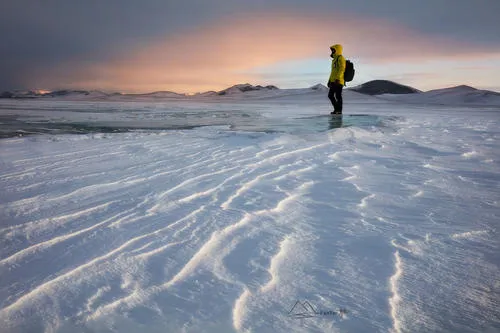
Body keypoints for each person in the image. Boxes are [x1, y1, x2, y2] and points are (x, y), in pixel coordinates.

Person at [327, 44, 346, 115]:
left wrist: (338, 79)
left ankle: (339, 110)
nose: (332, 51)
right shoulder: (334, 59)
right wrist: (329, 81)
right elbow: (333, 72)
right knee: (330, 95)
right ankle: (336, 109)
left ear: (337, 50)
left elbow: (342, 69)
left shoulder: (340, 58)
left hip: (338, 81)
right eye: (332, 50)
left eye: (333, 50)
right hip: (333, 81)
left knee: (338, 96)